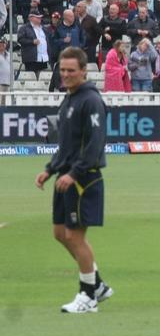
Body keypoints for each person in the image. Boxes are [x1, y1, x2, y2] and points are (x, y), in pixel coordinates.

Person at [35, 47, 112, 314]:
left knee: (75, 237)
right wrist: (51, 169)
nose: (66, 75)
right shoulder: (69, 99)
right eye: (63, 70)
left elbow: (94, 144)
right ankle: (98, 284)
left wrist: (73, 173)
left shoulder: (90, 100)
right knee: (60, 233)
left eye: (71, 70)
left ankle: (88, 295)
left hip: (83, 179)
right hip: (65, 177)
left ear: (83, 71)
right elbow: (66, 145)